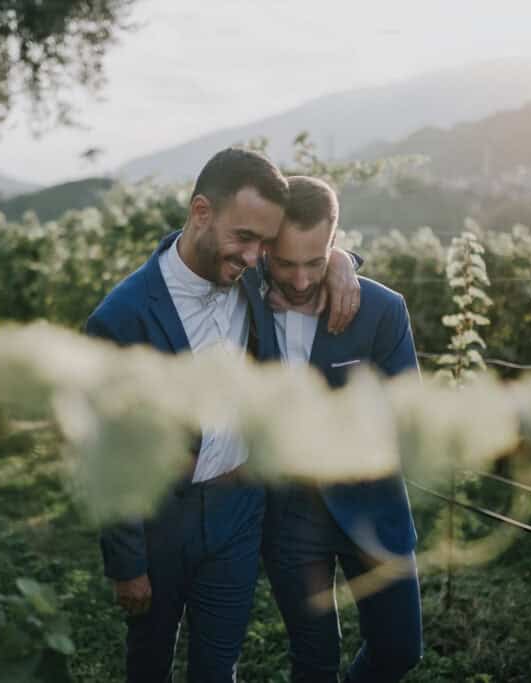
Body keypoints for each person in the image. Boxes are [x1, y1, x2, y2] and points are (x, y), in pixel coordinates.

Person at [84, 148, 361, 682]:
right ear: (201, 213)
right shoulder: (121, 319)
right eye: (244, 238)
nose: (256, 256)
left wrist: (344, 262)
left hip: (238, 515)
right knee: (149, 661)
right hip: (161, 522)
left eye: (264, 243)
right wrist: (127, 564)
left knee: (219, 667)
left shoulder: (255, 280)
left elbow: (308, 254)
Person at [262, 175, 423, 682]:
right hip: (289, 514)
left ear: (334, 241)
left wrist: (343, 263)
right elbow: (181, 258)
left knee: (400, 651)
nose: (303, 280)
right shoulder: (239, 296)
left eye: (316, 261)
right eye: (285, 263)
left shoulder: (381, 309)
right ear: (265, 246)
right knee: (313, 661)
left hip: (372, 506)